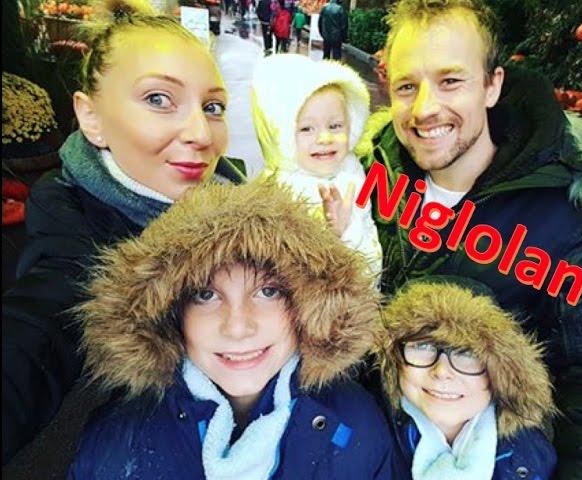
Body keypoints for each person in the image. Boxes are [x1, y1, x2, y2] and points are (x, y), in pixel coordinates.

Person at [358, 0, 582, 478]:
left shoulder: (565, 211)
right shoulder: (364, 174)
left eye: (450, 81)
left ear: (492, 85)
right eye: (407, 86)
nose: (425, 109)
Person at [2, 0, 246, 464]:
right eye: (159, 99)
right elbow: (39, 328)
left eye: (213, 107)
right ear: (90, 117)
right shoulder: (75, 237)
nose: (201, 133)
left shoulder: (240, 203)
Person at [67, 180, 394, 479]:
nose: (238, 327)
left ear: (310, 304)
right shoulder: (114, 444)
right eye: (205, 295)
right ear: (168, 313)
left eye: (268, 292)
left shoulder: (359, 427)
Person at [377, 278, 557, 479]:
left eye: (466, 353)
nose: (442, 371)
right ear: (393, 359)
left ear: (500, 372)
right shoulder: (364, 437)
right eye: (423, 346)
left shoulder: (533, 456)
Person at [251, 53, 382, 280]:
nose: (324, 138)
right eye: (306, 129)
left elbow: (368, 231)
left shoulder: (352, 169)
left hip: (368, 285)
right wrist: (334, 236)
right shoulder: (278, 194)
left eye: (335, 126)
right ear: (280, 134)